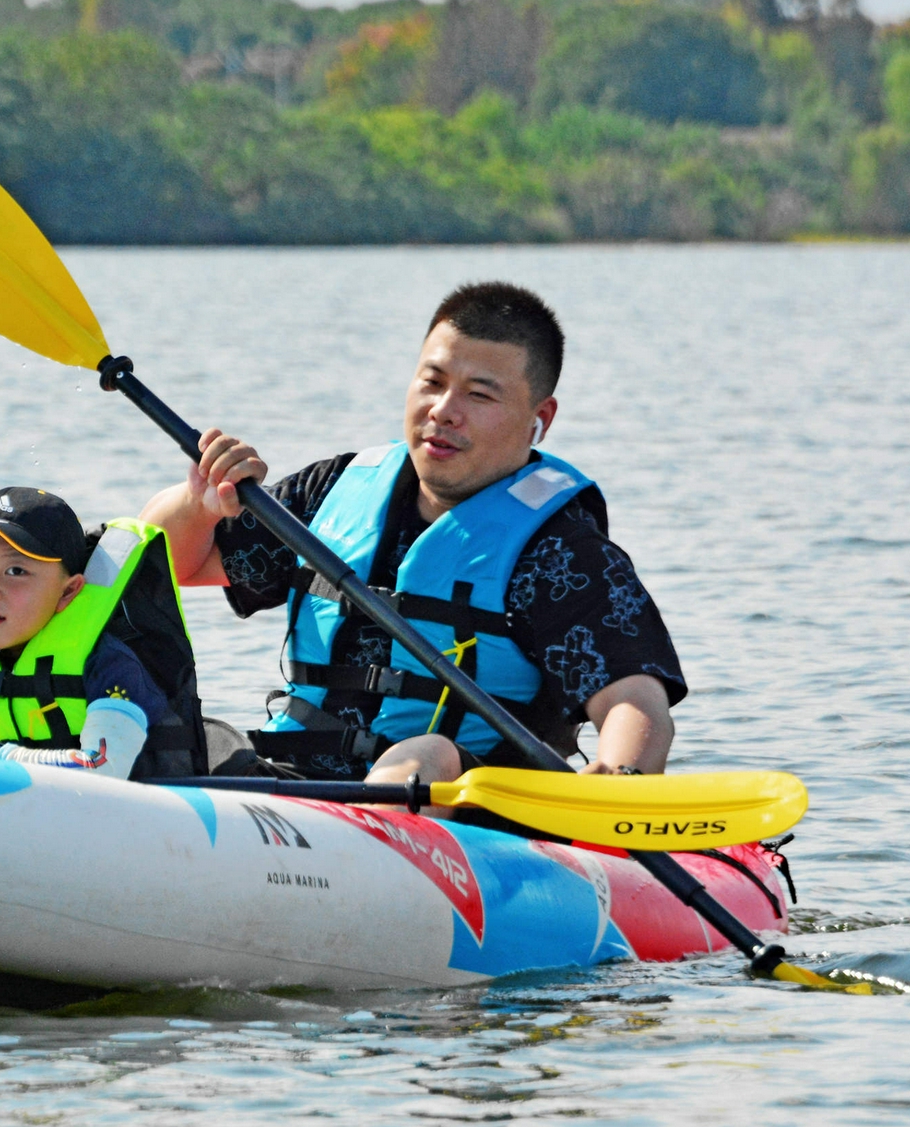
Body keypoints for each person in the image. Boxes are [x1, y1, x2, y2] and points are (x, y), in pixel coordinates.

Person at [139, 282, 685, 785]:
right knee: (177, 734)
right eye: (432, 382)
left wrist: (617, 777)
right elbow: (167, 563)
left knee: (425, 755)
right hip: (294, 789)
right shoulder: (330, 492)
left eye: (480, 395)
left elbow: (634, 700)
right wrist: (200, 503)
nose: (443, 412)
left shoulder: (560, 552)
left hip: (461, 810)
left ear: (539, 417)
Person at [0, 486, 208, 780]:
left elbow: (101, 767)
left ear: (69, 591)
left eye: (15, 571)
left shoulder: (113, 666)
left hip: (148, 815)